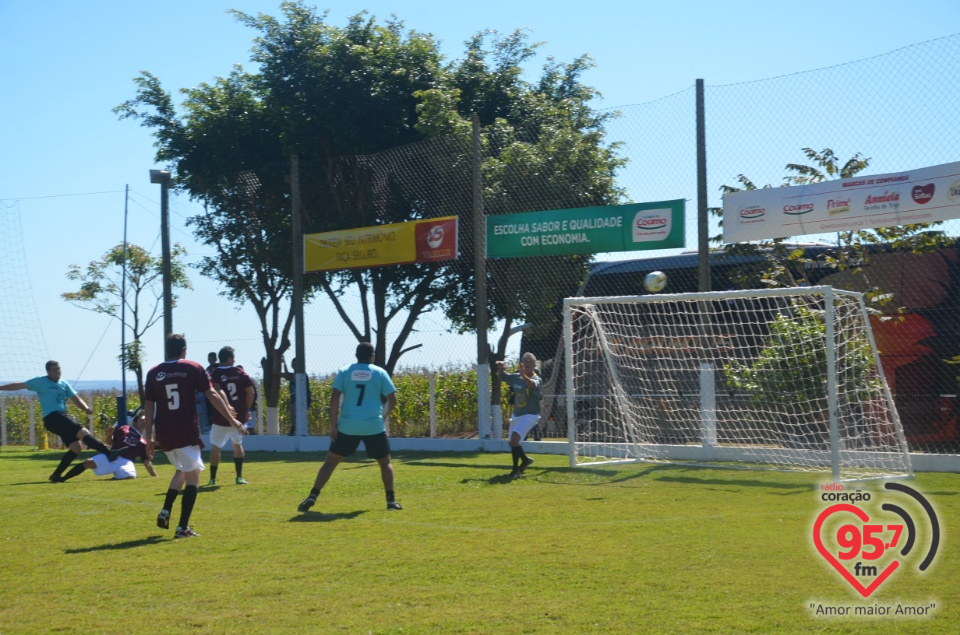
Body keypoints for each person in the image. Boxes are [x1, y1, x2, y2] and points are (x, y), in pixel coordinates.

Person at [143, 334, 245, 539]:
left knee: (182, 470)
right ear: (184, 350)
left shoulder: (154, 372)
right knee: (194, 476)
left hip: (165, 432)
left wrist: (149, 436)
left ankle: (166, 510)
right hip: (185, 430)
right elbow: (212, 394)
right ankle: (182, 528)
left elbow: (149, 405)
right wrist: (233, 420)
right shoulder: (192, 367)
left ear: (167, 350)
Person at [297, 342, 401, 512]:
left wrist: (333, 425)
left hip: (348, 425)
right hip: (373, 425)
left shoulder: (345, 371)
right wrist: (382, 418)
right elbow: (393, 400)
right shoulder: (380, 372)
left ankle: (312, 495)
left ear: (356, 355)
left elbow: (335, 397)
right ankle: (391, 502)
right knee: (385, 462)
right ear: (372, 356)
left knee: (330, 462)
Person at [0, 361, 119, 482]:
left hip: (61, 418)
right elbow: (19, 385)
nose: (58, 372)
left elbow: (76, 399)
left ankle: (56, 475)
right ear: (48, 372)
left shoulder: (64, 383)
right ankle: (108, 453)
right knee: (82, 432)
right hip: (53, 418)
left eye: (59, 369)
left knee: (76, 448)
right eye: (54, 370)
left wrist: (86, 408)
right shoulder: (40, 382)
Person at [207, 347, 253, 485]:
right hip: (238, 417)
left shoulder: (214, 374)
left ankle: (213, 478)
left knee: (216, 447)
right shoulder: (240, 373)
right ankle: (239, 477)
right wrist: (246, 409)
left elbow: (215, 390)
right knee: (237, 444)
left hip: (220, 417)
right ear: (230, 358)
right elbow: (251, 393)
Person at [60, 420, 158, 481]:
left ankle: (113, 478)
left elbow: (147, 462)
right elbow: (110, 443)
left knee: (130, 476)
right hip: (112, 455)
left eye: (146, 420)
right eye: (142, 419)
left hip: (125, 461)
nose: (144, 421)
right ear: (135, 422)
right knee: (88, 463)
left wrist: (154, 477)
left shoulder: (143, 442)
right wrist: (109, 435)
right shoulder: (125, 429)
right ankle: (63, 478)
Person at [497, 353, 540, 480]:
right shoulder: (516, 377)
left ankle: (515, 471)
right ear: (521, 364)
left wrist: (523, 375)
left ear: (534, 365)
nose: (527, 364)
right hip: (517, 414)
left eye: (530, 362)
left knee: (515, 439)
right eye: (525, 361)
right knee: (512, 443)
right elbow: (503, 377)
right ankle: (525, 460)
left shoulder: (537, 379)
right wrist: (500, 368)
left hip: (530, 415)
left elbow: (532, 385)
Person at [282, 357, 312, 436]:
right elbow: (286, 375)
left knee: (298, 416)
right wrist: (284, 363)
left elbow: (288, 376)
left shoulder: (302, 375)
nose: (294, 365)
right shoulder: (293, 374)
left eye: (296, 364)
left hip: (303, 399)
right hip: (294, 399)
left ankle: (298, 432)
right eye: (293, 363)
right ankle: (294, 430)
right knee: (293, 415)